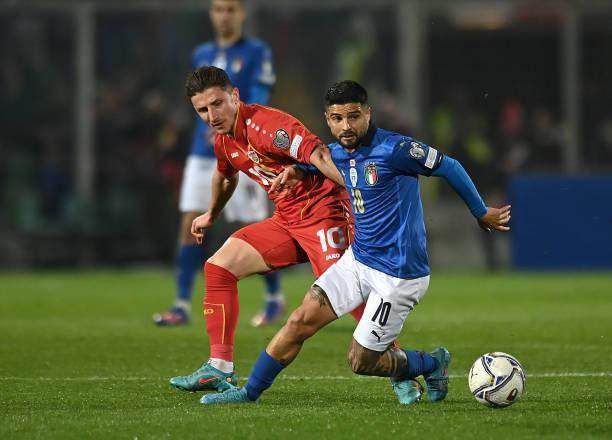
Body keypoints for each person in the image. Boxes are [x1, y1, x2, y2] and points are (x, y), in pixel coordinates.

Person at [199, 80, 511, 405]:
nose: (346, 126)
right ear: (328, 119)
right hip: (358, 261)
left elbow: (450, 166)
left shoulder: (396, 150)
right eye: (337, 119)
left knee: (361, 361)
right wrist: (297, 173)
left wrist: (481, 212)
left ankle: (433, 363)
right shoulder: (338, 152)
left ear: (367, 113)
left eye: (353, 116)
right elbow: (312, 163)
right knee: (298, 321)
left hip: (398, 275)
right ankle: (248, 394)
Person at [168, 67, 366, 393]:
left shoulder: (267, 125)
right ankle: (219, 367)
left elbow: (318, 153)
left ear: (234, 96)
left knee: (348, 296)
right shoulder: (224, 141)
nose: (211, 115)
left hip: (324, 216)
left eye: (217, 104)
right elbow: (225, 176)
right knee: (218, 268)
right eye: (202, 110)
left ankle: (405, 368)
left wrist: (360, 194)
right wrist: (211, 214)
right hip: (287, 221)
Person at [153, 0, 283, 327]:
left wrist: (235, 124)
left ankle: (274, 298)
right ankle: (181, 304)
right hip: (202, 151)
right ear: (211, 14)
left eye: (230, 9)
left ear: (242, 14)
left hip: (243, 147)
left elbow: (259, 96)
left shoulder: (257, 51)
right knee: (189, 222)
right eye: (218, 9)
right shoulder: (200, 54)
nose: (224, 15)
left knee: (249, 227)